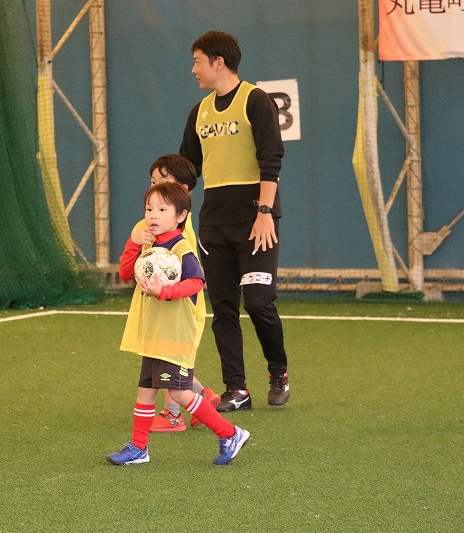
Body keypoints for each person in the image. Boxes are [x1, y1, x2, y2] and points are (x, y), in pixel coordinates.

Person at [179, 30, 290, 411]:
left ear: (219, 62)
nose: (193, 69)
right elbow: (188, 168)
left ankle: (278, 372)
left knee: (258, 303)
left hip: (256, 222)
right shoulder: (199, 111)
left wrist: (264, 213)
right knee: (224, 308)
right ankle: (237, 390)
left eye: (198, 61)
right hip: (214, 224)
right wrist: (164, 192)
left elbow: (271, 159)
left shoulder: (255, 100)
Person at [107, 182, 250, 465]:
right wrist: (134, 242)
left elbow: (196, 282)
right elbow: (125, 274)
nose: (153, 215)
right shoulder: (149, 244)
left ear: (181, 215)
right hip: (154, 333)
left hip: (175, 334)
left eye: (162, 209)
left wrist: (164, 291)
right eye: (149, 209)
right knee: (145, 390)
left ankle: (230, 433)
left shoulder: (181, 247)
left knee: (179, 392)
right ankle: (139, 448)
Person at [136, 155, 220, 432]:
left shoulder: (180, 235)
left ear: (183, 191)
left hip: (181, 306)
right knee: (165, 365)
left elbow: (193, 279)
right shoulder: (155, 227)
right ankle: (203, 395)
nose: (156, 188)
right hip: (163, 304)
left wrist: (165, 290)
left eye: (164, 181)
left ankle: (175, 415)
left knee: (170, 366)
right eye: (152, 182)